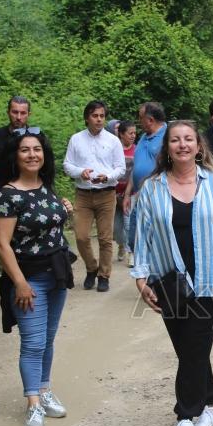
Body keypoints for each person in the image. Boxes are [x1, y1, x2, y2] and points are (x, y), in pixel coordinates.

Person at [131, 120, 213, 426]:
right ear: (166, 149)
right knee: (189, 350)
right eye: (175, 140)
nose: (182, 145)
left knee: (195, 348)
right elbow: (141, 238)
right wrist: (141, 282)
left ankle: (184, 414)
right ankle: (210, 405)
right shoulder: (151, 188)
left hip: (212, 281)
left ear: (199, 147)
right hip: (168, 283)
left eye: (188, 140)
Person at [0, 128, 74, 426]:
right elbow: (1, 244)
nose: (32, 154)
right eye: (25, 150)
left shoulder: (46, 186)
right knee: (33, 343)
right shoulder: (7, 195)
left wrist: (64, 210)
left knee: (48, 341)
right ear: (15, 156)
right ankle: (33, 404)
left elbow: (49, 226)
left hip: (57, 275)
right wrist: (20, 283)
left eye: (36, 149)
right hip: (29, 279)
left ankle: (45, 390)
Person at [63, 100, 125, 292]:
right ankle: (91, 268)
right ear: (87, 118)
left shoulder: (113, 140)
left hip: (106, 193)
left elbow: (120, 168)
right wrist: (80, 172)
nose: (99, 119)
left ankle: (104, 275)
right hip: (83, 194)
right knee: (81, 236)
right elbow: (67, 165)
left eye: (102, 116)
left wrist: (107, 176)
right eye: (95, 116)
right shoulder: (76, 139)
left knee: (106, 238)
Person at [123, 102, 168, 265]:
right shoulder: (143, 137)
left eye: (140, 118)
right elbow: (136, 167)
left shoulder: (168, 136)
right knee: (134, 234)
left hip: (159, 194)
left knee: (155, 236)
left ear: (149, 120)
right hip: (139, 195)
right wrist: (128, 193)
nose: (138, 121)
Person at [116, 122, 137, 265]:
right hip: (112, 194)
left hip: (130, 193)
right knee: (115, 229)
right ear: (122, 134)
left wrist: (128, 193)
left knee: (128, 224)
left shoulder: (137, 150)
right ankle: (121, 244)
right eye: (130, 133)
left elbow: (135, 173)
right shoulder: (114, 149)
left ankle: (131, 253)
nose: (133, 136)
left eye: (135, 133)